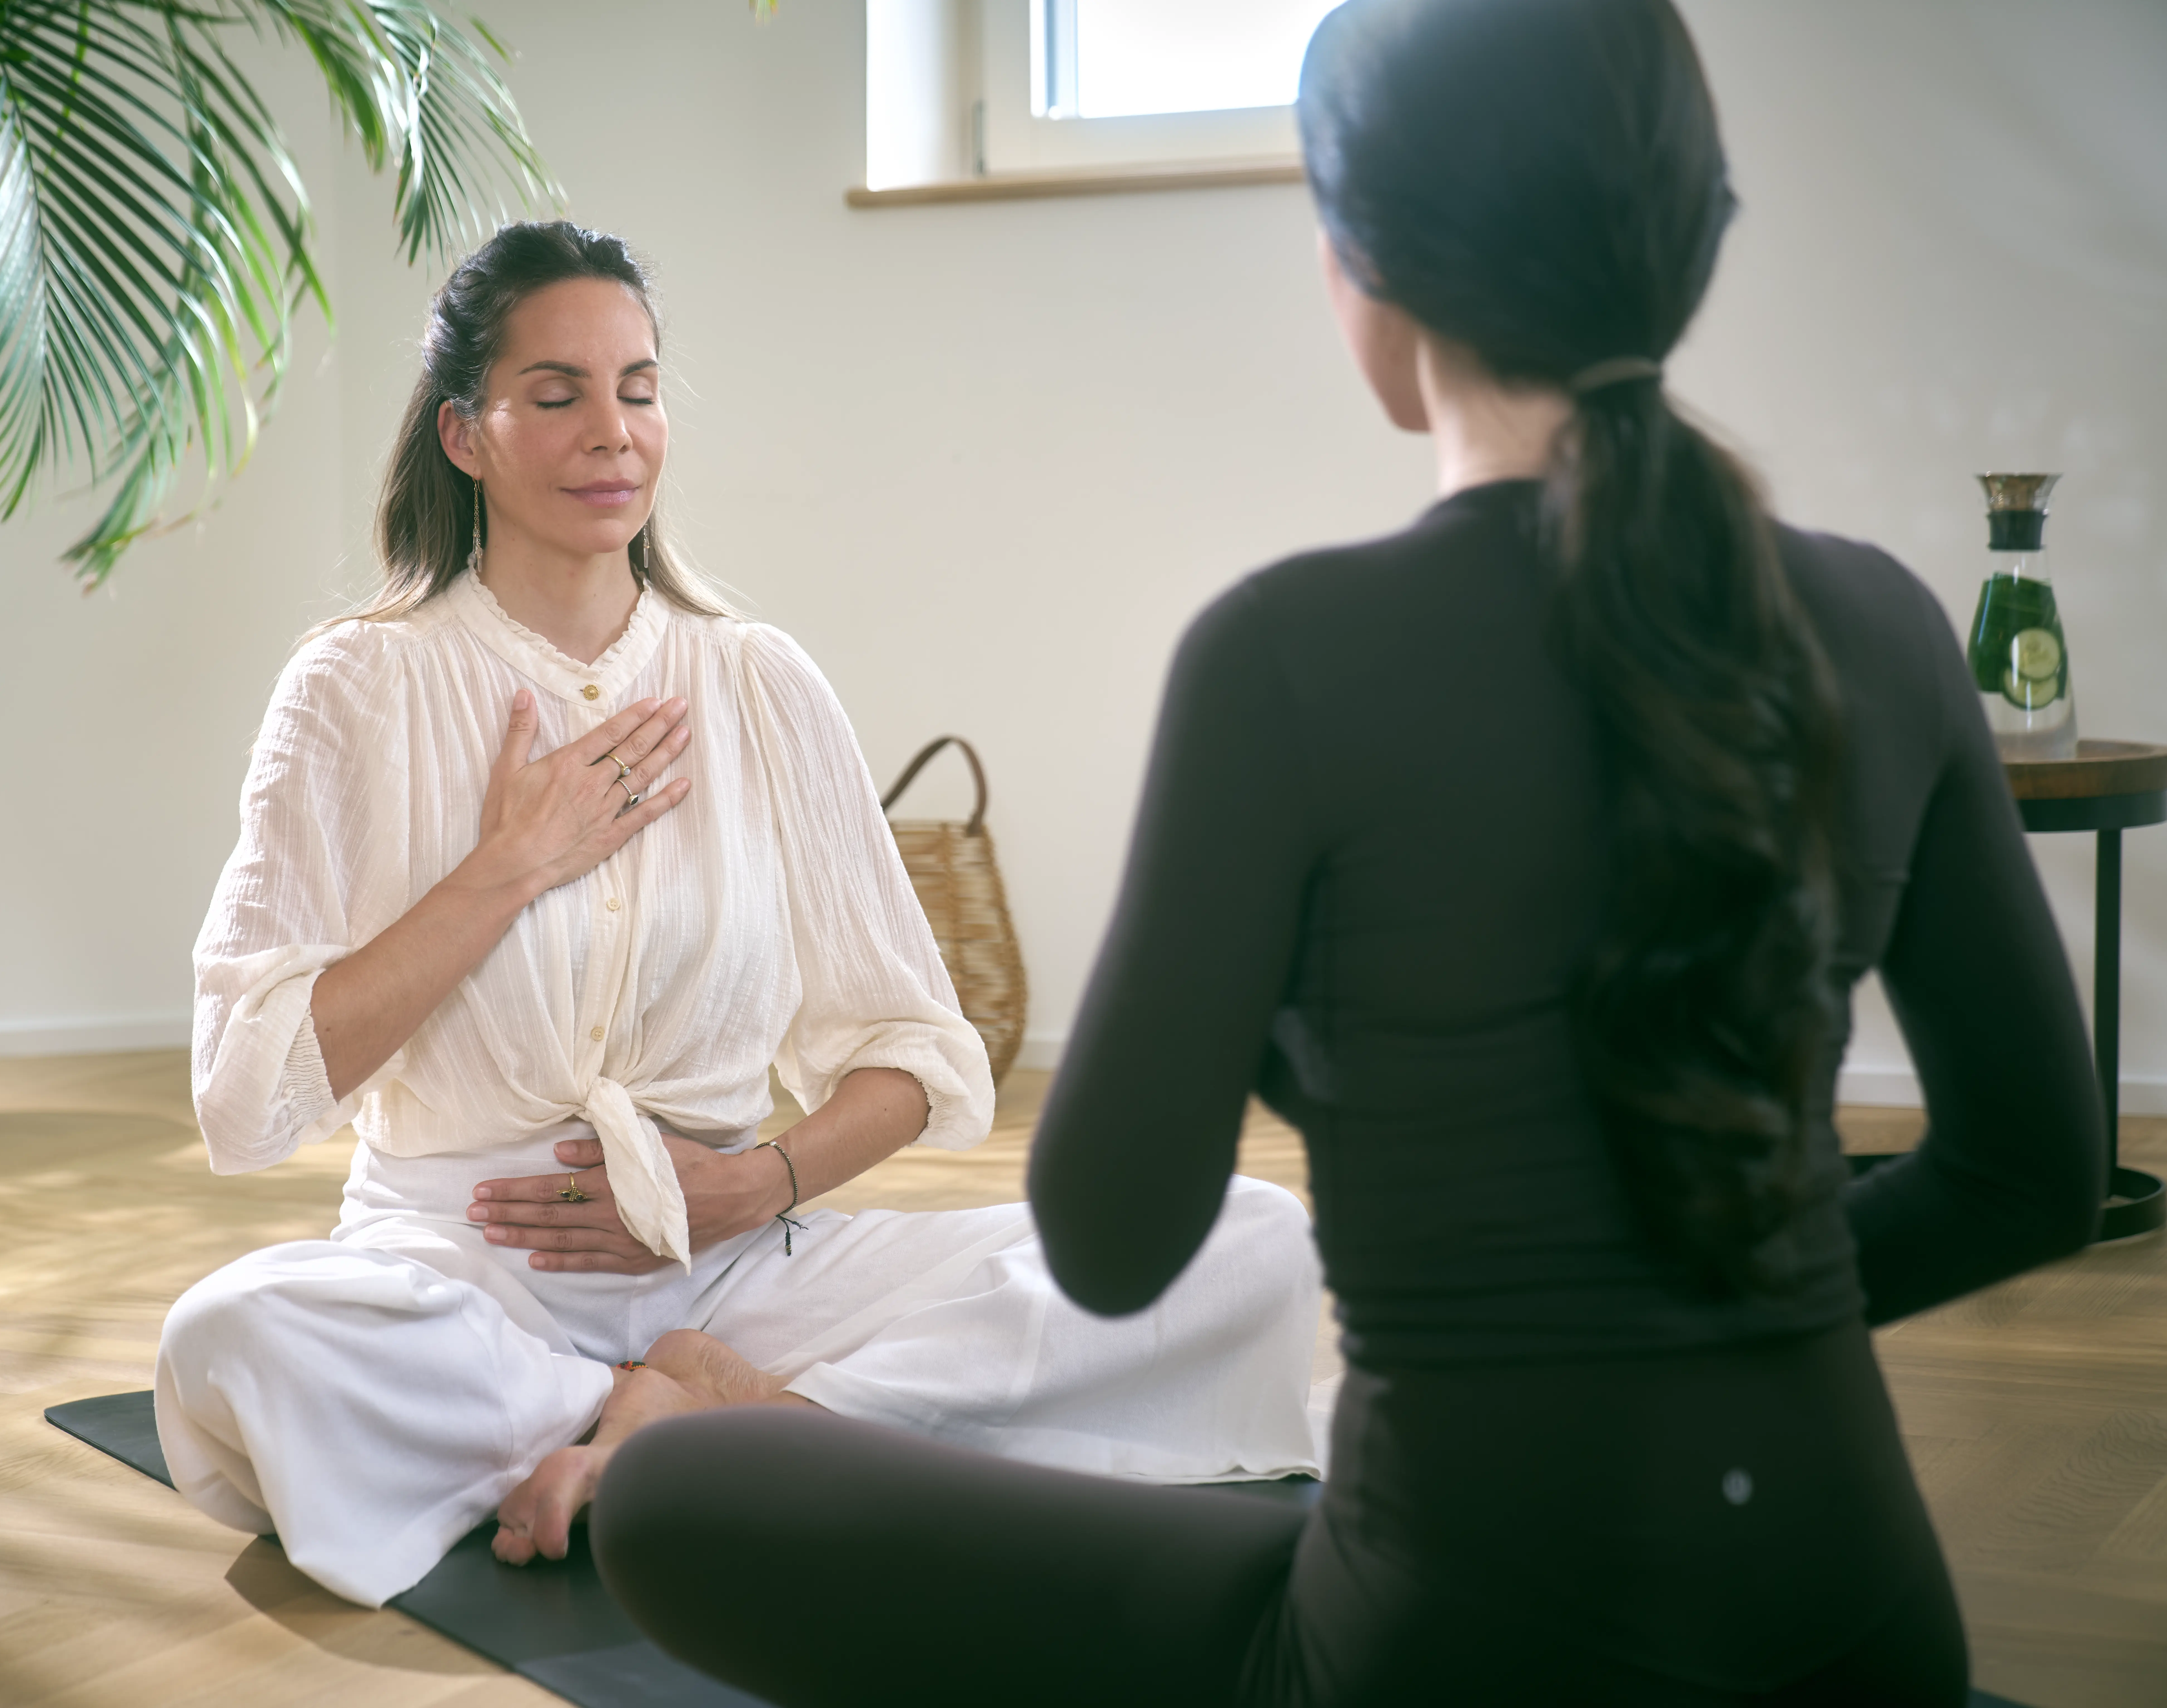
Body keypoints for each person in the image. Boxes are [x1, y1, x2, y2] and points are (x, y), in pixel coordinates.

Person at [589, 1, 2106, 1701]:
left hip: (1450, 1644)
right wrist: (1743, 1309)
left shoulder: (1287, 655)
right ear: (1689, 239)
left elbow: (1107, 1238)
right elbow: (2036, 1171)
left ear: (1362, 265)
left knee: (670, 1489)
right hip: (1860, 1631)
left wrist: (1301, 1041)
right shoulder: (1890, 627)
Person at [153, 221, 1329, 1610]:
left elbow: (917, 1053)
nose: (614, 433)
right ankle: (663, 1418)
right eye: (558, 395)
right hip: (464, 1275)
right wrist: (508, 866)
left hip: (730, 1264)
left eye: (639, 389)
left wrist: (750, 1188)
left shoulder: (758, 682)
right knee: (237, 1334)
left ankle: (698, 1421)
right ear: (467, 437)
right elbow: (245, 1098)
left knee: (1252, 1243)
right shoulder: (356, 687)